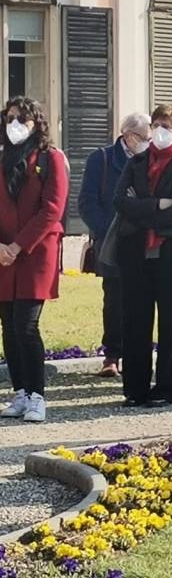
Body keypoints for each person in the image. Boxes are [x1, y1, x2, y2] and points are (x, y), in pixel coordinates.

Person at [113, 105, 172, 407]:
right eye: (156, 124)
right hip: (135, 251)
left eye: (166, 125)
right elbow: (120, 201)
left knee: (171, 323)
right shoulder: (137, 161)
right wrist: (156, 205)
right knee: (135, 321)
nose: (159, 130)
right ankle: (135, 389)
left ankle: (165, 388)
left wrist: (144, 207)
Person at [0, 97, 69, 424]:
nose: (15, 125)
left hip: (35, 252)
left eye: (22, 119)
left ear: (35, 123)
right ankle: (21, 392)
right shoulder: (2, 159)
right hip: (3, 255)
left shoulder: (50, 158)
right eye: (10, 118)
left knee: (26, 326)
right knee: (9, 328)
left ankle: (38, 395)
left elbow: (52, 209)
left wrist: (17, 245)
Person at [78, 113, 152, 378]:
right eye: (145, 138)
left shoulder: (150, 159)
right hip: (112, 241)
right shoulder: (103, 158)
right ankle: (112, 356)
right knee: (114, 300)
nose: (148, 143)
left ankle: (137, 356)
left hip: (144, 239)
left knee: (141, 300)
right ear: (129, 136)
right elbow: (87, 202)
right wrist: (106, 230)